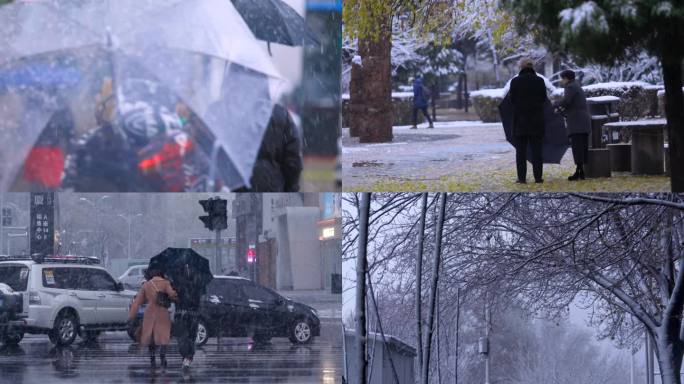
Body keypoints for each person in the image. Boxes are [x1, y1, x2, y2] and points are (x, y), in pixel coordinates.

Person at [242, 103, 303, 192]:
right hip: (273, 188)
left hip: (241, 190)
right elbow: (293, 161)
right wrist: (291, 189)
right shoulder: (280, 113)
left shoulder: (234, 113)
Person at [509, 58, 549, 184]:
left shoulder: (515, 81)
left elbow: (512, 100)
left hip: (520, 122)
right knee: (537, 152)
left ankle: (521, 178)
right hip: (536, 121)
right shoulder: (540, 80)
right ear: (532, 67)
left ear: (521, 67)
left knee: (520, 153)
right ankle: (538, 178)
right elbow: (544, 98)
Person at [127, 269, 177, 369]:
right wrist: (173, 296)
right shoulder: (166, 283)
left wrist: (131, 316)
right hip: (162, 313)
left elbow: (137, 302)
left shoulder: (146, 285)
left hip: (150, 313)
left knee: (151, 336)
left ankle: (152, 357)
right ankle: (162, 355)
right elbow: (172, 295)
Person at [554, 69, 591, 181]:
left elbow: (566, 101)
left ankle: (579, 172)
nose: (562, 81)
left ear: (566, 78)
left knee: (577, 147)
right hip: (583, 121)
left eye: (563, 78)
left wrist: (555, 105)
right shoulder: (577, 86)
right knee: (582, 147)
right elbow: (573, 104)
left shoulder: (570, 87)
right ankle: (580, 171)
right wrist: (562, 111)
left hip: (576, 122)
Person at [174, 264, 206, 370]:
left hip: (183, 315)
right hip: (190, 315)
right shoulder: (196, 285)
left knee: (184, 338)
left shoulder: (177, 284)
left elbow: (175, 299)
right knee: (189, 338)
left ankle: (186, 357)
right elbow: (198, 301)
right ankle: (187, 357)